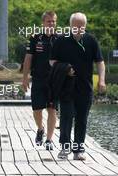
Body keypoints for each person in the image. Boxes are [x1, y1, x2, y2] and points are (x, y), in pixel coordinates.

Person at [50, 12, 106, 160]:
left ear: (85, 26)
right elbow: (52, 61)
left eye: (82, 26)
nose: (79, 28)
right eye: (76, 26)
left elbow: (100, 62)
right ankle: (65, 147)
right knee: (67, 117)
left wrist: (102, 80)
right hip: (66, 86)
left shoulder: (91, 41)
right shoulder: (61, 41)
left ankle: (79, 149)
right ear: (71, 26)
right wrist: (65, 68)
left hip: (85, 87)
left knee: (82, 118)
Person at [22, 11, 58, 150]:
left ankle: (49, 140)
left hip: (54, 81)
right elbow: (28, 59)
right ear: (43, 23)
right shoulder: (35, 38)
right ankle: (40, 129)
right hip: (38, 78)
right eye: (49, 21)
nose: (51, 23)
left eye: (54, 21)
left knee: (52, 109)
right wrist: (25, 78)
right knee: (37, 109)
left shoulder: (60, 39)